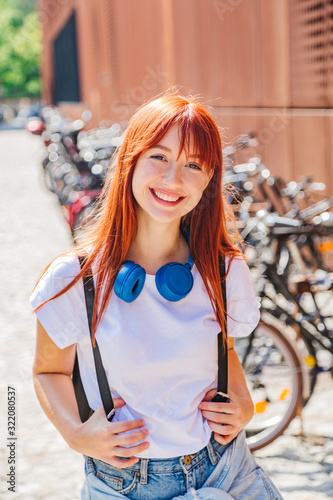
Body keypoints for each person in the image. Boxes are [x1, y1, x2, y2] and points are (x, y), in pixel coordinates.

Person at [31, 94, 283, 499]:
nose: (173, 179)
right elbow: (49, 372)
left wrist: (244, 403)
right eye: (159, 157)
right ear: (130, 159)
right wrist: (77, 435)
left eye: (193, 165)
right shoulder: (76, 277)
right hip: (128, 484)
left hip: (228, 471)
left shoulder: (223, 270)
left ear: (208, 180)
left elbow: (226, 352)